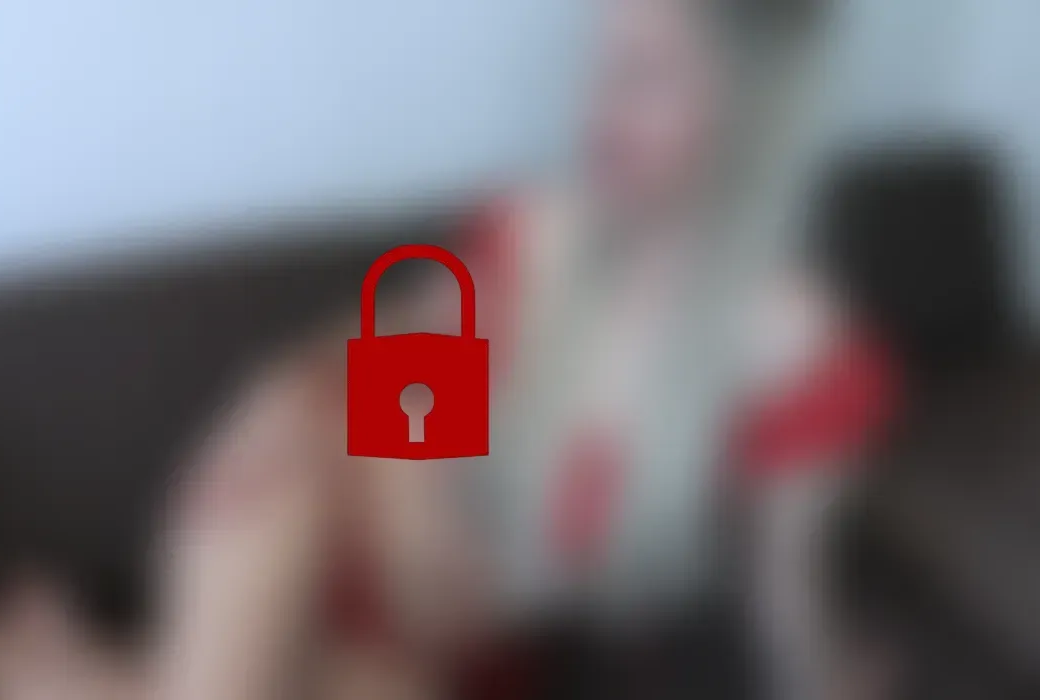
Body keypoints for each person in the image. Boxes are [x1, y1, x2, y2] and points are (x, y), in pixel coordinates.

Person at [150, 1, 896, 698]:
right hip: (309, 491)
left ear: (753, 99)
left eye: (646, 76)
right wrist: (413, 494)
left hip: (429, 645)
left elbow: (788, 595)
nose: (602, 111)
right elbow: (390, 348)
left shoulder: (801, 354)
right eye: (603, 69)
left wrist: (826, 678)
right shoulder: (540, 232)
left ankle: (83, 667)